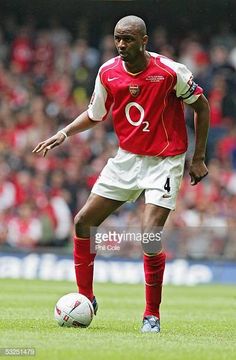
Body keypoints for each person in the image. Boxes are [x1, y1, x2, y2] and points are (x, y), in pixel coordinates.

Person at [33, 15, 209, 333]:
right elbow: (95, 114)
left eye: (128, 39)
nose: (121, 45)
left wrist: (198, 158)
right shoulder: (108, 72)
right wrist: (65, 133)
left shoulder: (170, 71)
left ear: (144, 40)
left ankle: (151, 315)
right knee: (83, 222)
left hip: (164, 161)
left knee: (149, 235)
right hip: (127, 159)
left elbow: (202, 107)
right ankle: (86, 297)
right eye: (118, 38)